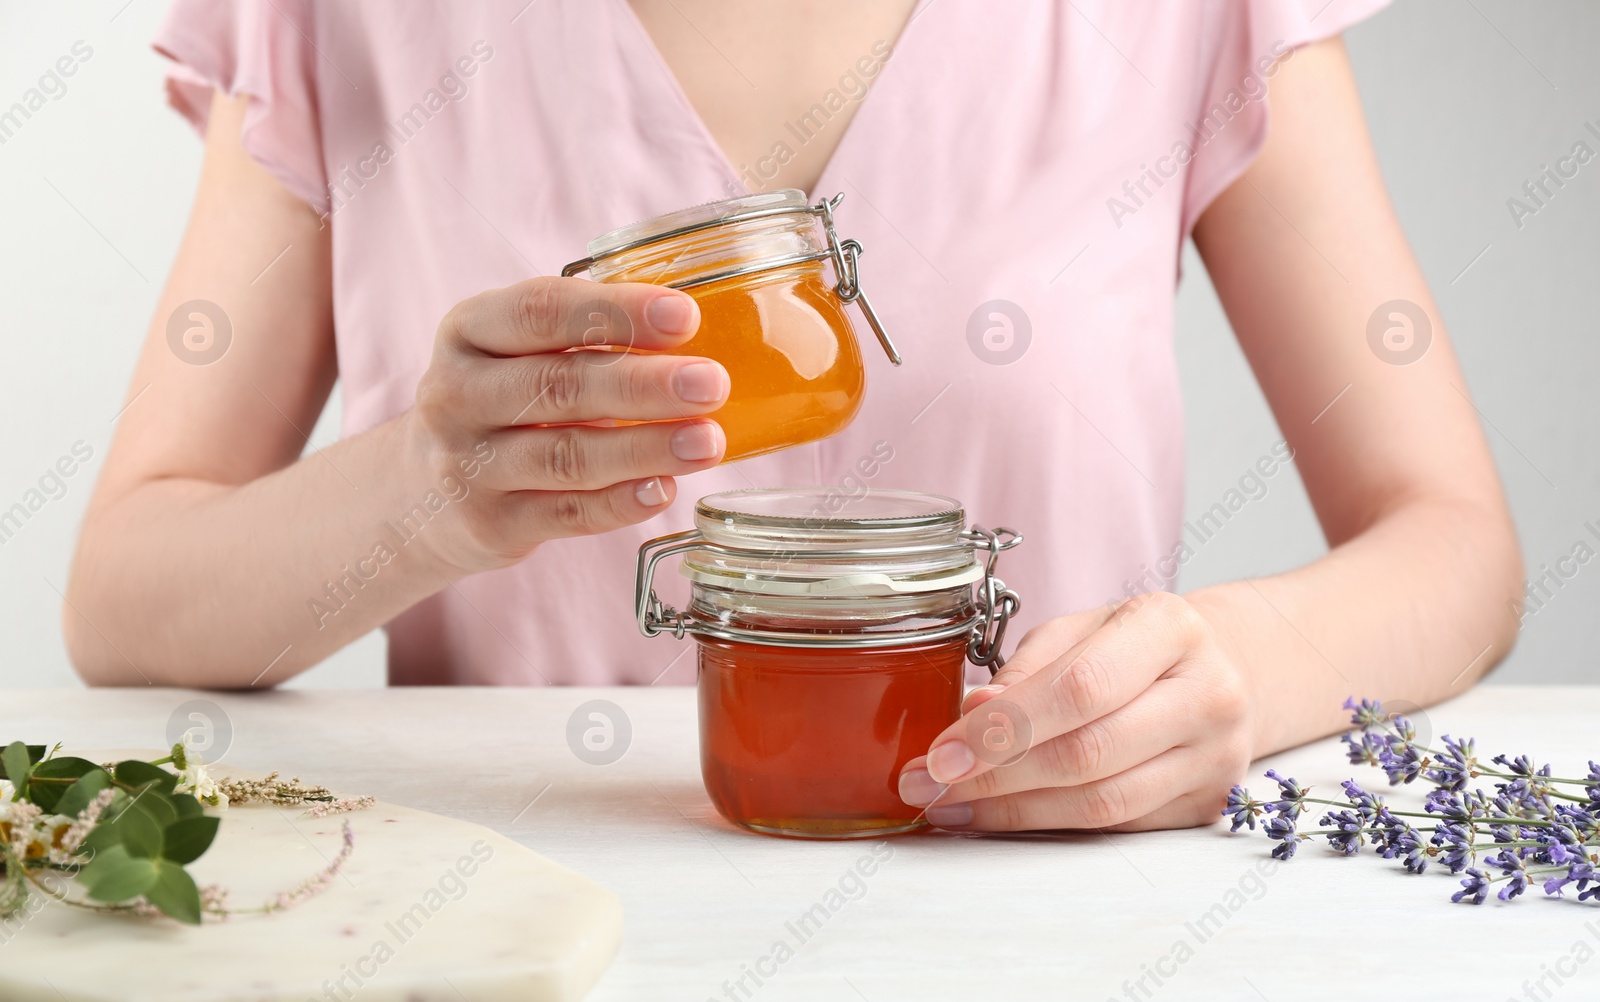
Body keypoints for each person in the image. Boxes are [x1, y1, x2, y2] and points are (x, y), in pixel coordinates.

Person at [65, 0, 1523, 832]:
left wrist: (1239, 669)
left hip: (1052, 928)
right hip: (527, 940)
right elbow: (128, 598)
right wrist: (424, 491)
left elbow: (1453, 544)